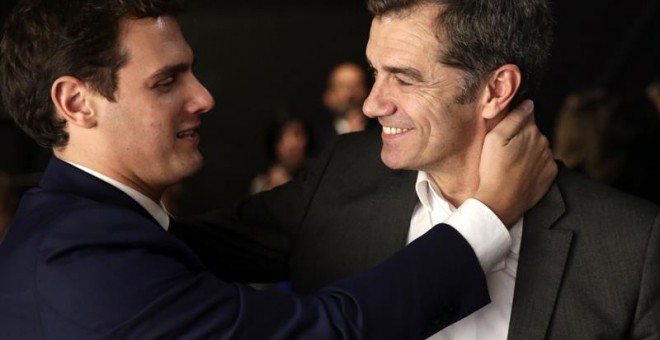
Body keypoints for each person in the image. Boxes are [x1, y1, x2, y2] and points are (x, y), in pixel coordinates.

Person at [0, 0, 556, 339]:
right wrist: (488, 216)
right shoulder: (85, 259)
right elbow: (325, 333)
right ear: (76, 104)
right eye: (166, 82)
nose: (204, 97)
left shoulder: (86, 225)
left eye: (403, 76)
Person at [179, 0, 660, 338]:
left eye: (404, 78)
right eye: (375, 72)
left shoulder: (633, 246)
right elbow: (169, 250)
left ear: (496, 89)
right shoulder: (341, 177)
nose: (370, 104)